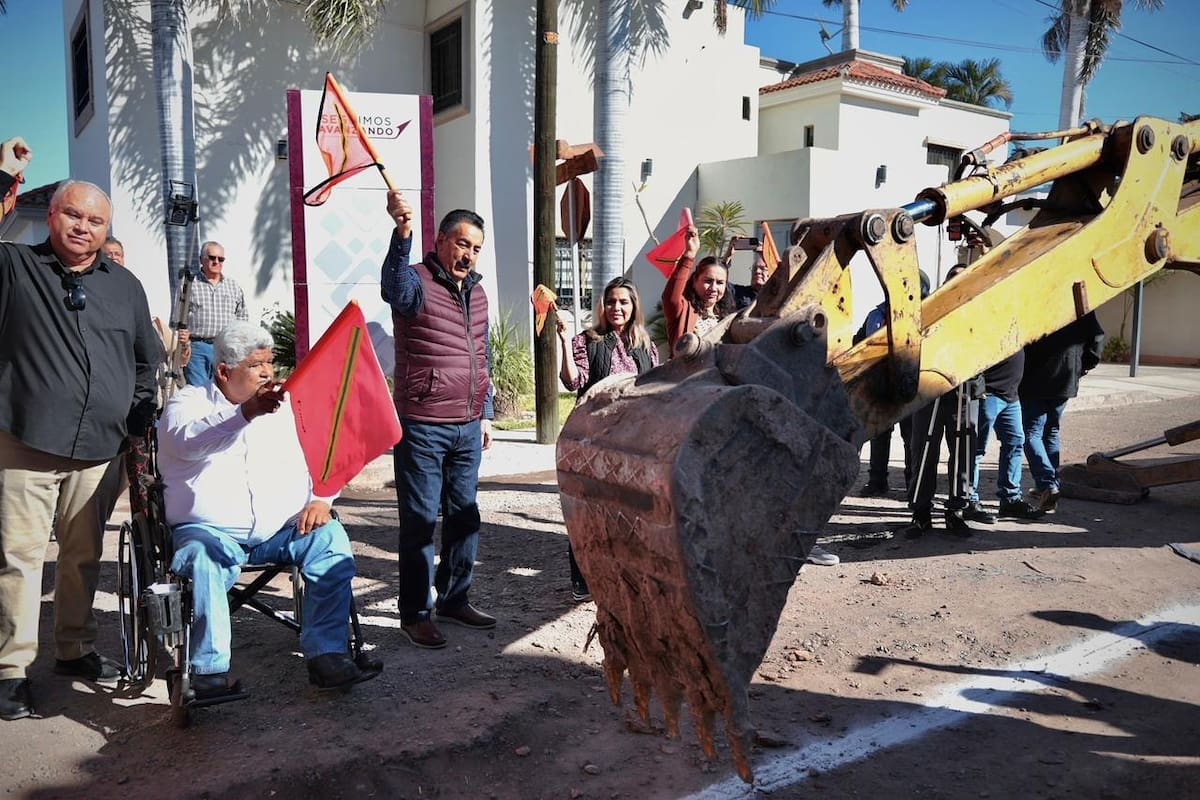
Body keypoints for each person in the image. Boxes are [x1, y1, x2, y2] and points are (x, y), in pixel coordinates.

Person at [0, 137, 159, 721]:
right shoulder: (17, 267)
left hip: (99, 450)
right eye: (72, 213)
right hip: (25, 442)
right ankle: (11, 669)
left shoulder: (126, 285)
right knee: (17, 559)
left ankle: (74, 650)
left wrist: (139, 410)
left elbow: (148, 359)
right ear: (52, 215)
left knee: (82, 556)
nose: (83, 227)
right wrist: (2, 176)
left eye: (96, 220)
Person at [157, 321, 379, 697]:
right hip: (210, 531)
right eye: (255, 365)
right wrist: (245, 414)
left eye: (269, 363)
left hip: (282, 526)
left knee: (331, 540)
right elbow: (187, 443)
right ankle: (208, 672)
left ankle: (328, 655)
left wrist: (323, 498)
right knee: (202, 558)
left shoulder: (287, 405)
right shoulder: (188, 404)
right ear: (225, 371)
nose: (266, 372)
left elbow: (327, 455)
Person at [380, 191, 495, 650]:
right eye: (463, 244)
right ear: (442, 241)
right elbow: (391, 286)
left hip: (467, 426)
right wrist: (401, 234)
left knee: (465, 516)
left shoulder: (480, 294)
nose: (468, 254)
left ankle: (454, 598)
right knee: (421, 519)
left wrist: (485, 414)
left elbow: (480, 357)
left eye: (476, 248)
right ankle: (415, 612)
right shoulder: (416, 283)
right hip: (423, 425)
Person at [556, 275, 660, 601]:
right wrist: (562, 341)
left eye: (624, 302)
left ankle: (622, 576)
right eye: (611, 301)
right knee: (587, 510)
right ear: (603, 305)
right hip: (593, 439)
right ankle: (583, 580)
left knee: (628, 513)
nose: (617, 307)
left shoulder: (646, 346)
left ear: (633, 307)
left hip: (632, 442)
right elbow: (573, 381)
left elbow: (655, 391)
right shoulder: (587, 341)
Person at [901, 266, 995, 538]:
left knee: (963, 457)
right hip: (929, 393)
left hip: (964, 394)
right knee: (923, 455)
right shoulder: (929, 312)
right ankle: (920, 514)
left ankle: (955, 512)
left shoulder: (980, 314)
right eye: (953, 280)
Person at [1019, 313, 1105, 513]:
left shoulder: (1036, 301)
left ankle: (1048, 484)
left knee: (1032, 432)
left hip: (1034, 379)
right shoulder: (1078, 304)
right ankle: (1049, 485)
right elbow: (1097, 339)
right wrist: (1082, 366)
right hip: (1065, 377)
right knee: (1051, 431)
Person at [857, 271, 931, 497]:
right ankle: (877, 481)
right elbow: (861, 343)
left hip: (913, 385)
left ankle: (912, 481)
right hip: (882, 386)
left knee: (912, 436)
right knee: (880, 435)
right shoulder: (876, 315)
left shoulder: (926, 313)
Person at [661, 227, 738, 357]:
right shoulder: (684, 311)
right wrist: (689, 254)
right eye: (708, 281)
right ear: (695, 281)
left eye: (720, 283)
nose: (713, 288)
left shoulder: (727, 319)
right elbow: (671, 298)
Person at [184, 240, 248, 386]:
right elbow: (178, 317)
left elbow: (242, 317)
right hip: (198, 348)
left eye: (220, 259)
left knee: (224, 391)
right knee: (198, 391)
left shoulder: (233, 286)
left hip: (225, 349)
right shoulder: (189, 284)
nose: (216, 262)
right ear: (202, 260)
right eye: (212, 258)